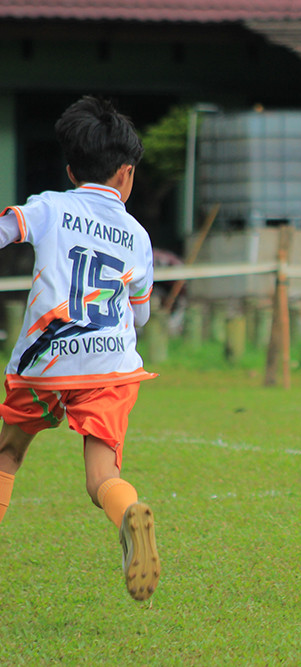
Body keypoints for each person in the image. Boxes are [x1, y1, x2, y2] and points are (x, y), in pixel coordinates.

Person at [0, 96, 160, 601]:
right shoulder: (137, 234)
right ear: (127, 175)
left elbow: (8, 228)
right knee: (102, 476)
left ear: (71, 171)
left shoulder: (52, 206)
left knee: (7, 451)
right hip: (112, 366)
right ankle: (128, 511)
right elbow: (141, 312)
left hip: (47, 364)